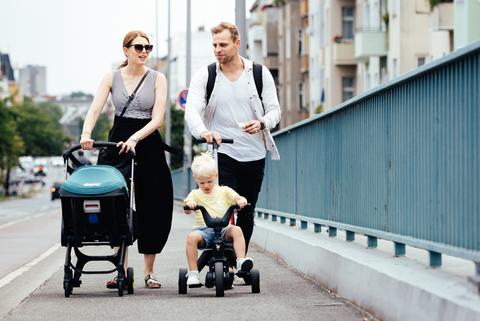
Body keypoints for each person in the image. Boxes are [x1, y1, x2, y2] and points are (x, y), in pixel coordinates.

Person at [80, 30, 173, 289]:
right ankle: (120, 266)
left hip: (147, 139)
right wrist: (86, 134)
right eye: (139, 47)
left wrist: (135, 139)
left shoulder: (158, 78)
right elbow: (95, 107)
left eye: (148, 47)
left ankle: (149, 271)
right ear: (126, 50)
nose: (144, 52)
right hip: (116, 140)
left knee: (154, 201)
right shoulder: (111, 77)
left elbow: (157, 119)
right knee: (111, 200)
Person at [185, 22, 281, 254]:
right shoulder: (206, 75)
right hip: (222, 153)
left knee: (246, 210)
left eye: (223, 44)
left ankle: (240, 261)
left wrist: (261, 123)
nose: (218, 49)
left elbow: (275, 111)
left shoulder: (259, 73)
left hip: (254, 153)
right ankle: (223, 262)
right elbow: (191, 110)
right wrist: (204, 132)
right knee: (223, 208)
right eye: (214, 45)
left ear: (237, 44)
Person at [183, 153, 253, 286]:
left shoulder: (224, 191)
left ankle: (240, 261)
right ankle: (193, 273)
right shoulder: (195, 194)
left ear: (215, 175)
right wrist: (190, 206)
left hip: (224, 229)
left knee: (237, 229)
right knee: (191, 238)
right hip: (203, 231)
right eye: (201, 182)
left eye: (209, 181)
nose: (206, 185)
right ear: (195, 178)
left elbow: (237, 197)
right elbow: (187, 209)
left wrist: (240, 200)